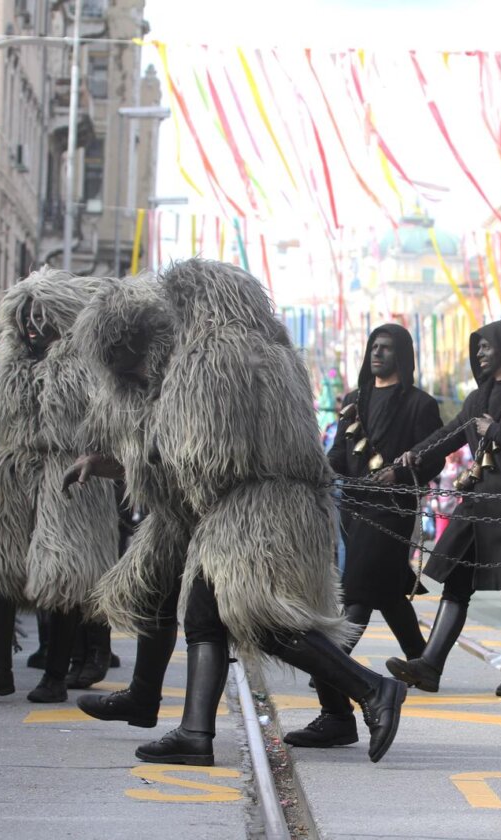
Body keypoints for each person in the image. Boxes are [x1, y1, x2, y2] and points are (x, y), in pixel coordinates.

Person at [71, 261, 407, 766]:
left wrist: (132, 458)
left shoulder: (210, 355)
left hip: (250, 508)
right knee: (206, 617)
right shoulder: (275, 353)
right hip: (280, 503)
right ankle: (194, 733)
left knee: (260, 617)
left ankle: (373, 689)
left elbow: (203, 453)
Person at [0, 268, 121, 704]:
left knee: (61, 575)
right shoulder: (9, 361)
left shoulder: (85, 364)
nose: (31, 326)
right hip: (12, 472)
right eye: (26, 316)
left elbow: (100, 420)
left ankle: (54, 676)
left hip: (69, 475)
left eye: (41, 316)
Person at [284, 323, 442, 750]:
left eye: (387, 348)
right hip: (354, 511)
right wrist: (315, 467)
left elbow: (432, 464)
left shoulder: (421, 405)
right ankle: (424, 659)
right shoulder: (355, 401)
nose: (377, 353)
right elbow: (338, 455)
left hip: (392, 512)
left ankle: (330, 677)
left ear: (402, 356)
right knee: (386, 591)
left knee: (358, 593)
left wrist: (410, 466)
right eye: (374, 346)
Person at [386, 317, 501, 698]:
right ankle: (429, 666)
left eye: (486, 346)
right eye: (477, 346)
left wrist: (494, 431)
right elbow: (449, 434)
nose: (478, 353)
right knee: (456, 585)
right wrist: (413, 455)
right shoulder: (477, 398)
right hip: (477, 504)